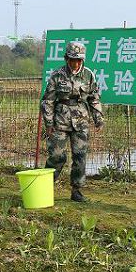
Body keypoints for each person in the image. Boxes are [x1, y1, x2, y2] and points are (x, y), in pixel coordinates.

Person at [41, 41, 104, 202]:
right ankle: (45, 187)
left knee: (80, 156)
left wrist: (98, 118)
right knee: (56, 156)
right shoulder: (57, 75)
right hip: (60, 121)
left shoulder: (88, 75)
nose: (75, 63)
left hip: (81, 121)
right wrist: (49, 124)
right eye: (72, 60)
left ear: (82, 60)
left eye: (79, 60)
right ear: (66, 58)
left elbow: (94, 98)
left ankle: (76, 190)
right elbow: (48, 101)